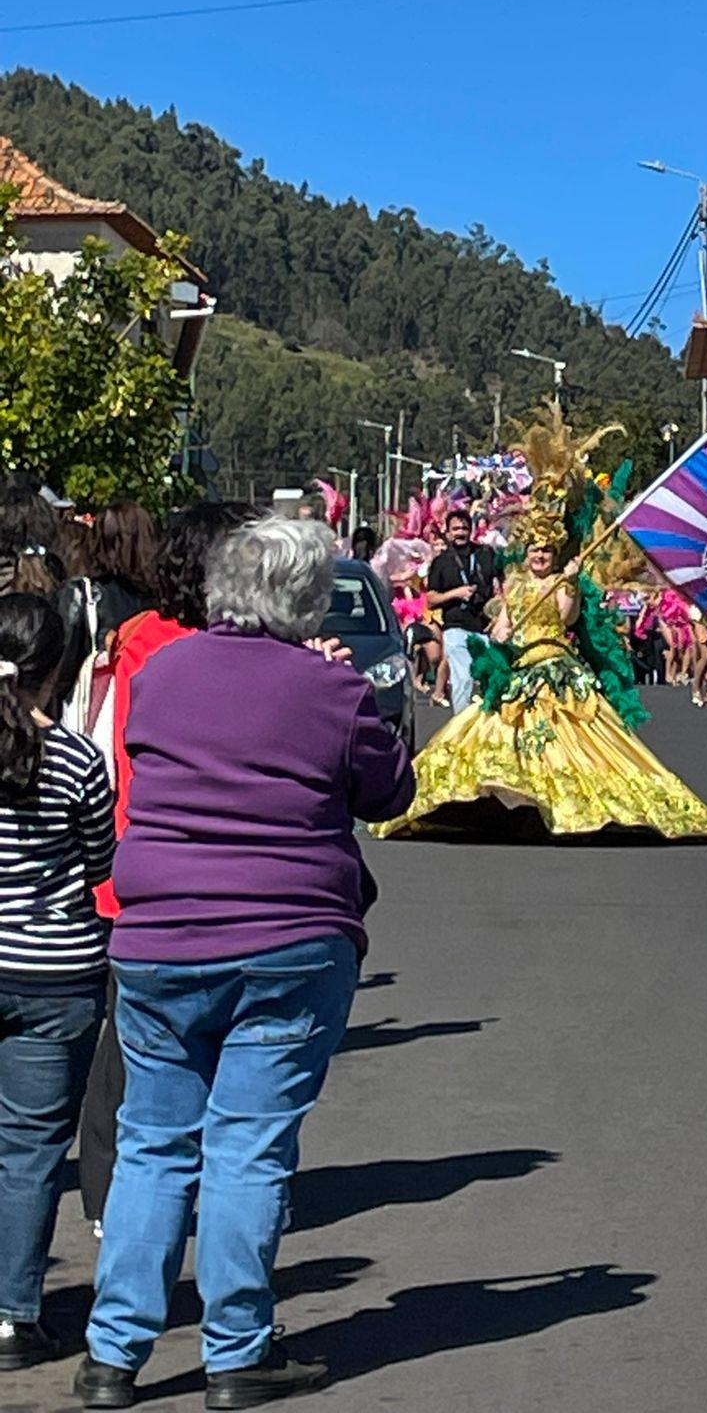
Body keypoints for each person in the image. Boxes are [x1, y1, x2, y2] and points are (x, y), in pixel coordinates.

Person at [78, 517, 414, 1410]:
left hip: (157, 935)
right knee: (247, 1149)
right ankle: (234, 1352)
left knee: (154, 1144)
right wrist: (344, 686)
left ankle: (112, 1354)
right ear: (306, 601)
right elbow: (387, 789)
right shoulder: (328, 689)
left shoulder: (162, 673)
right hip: (286, 936)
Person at [377, 408, 707, 844]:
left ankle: (575, 811)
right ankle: (512, 806)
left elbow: (566, 619)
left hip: (558, 669)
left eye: (546, 551)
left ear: (555, 553)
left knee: (574, 743)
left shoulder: (564, 581)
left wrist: (572, 581)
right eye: (535, 550)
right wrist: (493, 649)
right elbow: (502, 629)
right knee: (495, 738)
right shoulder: (518, 584)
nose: (540, 556)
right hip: (519, 670)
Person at [75, 503, 256, 1235]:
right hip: (202, 874)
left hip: (131, 866)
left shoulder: (131, 642)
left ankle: (112, 1197)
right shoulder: (218, 654)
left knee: (129, 1047)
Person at [0, 594, 115, 1374]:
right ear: (57, 670)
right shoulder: (77, 760)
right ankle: (14, 1315)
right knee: (31, 1150)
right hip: (56, 974)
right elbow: (103, 869)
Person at [56, 502, 162, 737]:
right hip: (148, 717)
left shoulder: (83, 595)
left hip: (94, 721)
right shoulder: (165, 600)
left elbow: (62, 673)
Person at [425, 508, 497, 712]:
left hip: (485, 627)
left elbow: (504, 580)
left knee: (489, 679)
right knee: (463, 678)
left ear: (471, 530)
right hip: (455, 627)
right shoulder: (442, 561)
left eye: (464, 528)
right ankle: (460, 728)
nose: (460, 533)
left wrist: (500, 608)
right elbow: (431, 599)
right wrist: (456, 593)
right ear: (447, 532)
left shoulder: (485, 554)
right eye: (455, 529)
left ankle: (487, 729)